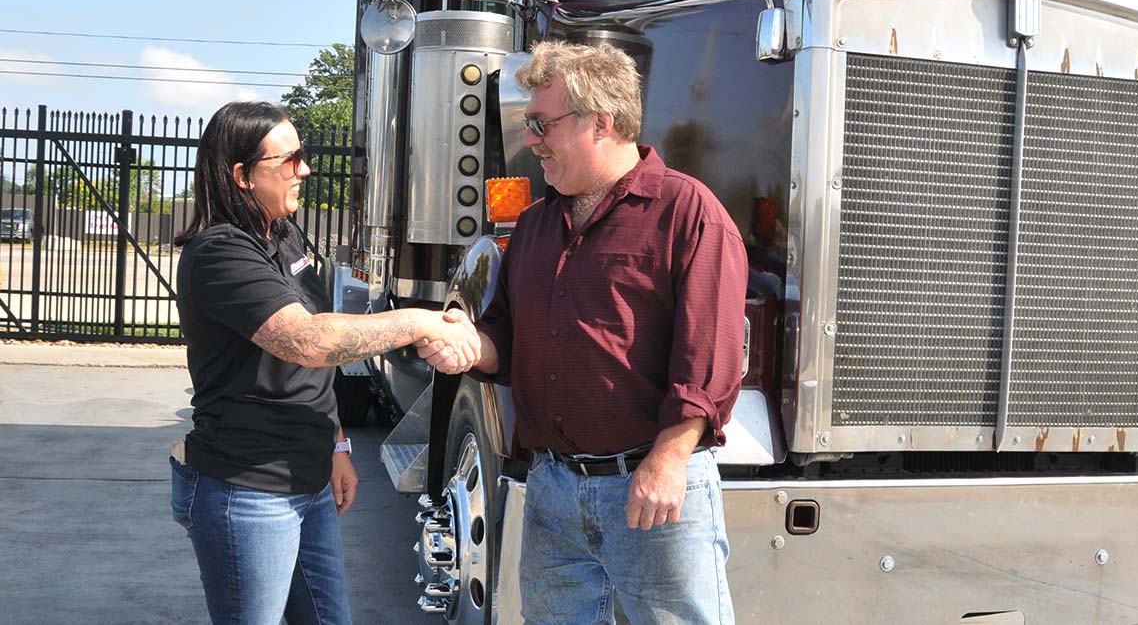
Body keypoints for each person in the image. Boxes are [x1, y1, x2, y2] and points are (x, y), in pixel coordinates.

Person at [423, 41, 747, 624]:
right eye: (530, 124)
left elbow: (708, 358)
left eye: (543, 123)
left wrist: (669, 460)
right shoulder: (534, 226)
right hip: (553, 491)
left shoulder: (688, 213)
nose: (531, 140)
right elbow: (506, 339)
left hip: (651, 490)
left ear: (602, 120)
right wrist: (466, 344)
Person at [170, 101, 480, 625]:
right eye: (289, 160)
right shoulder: (219, 253)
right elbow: (309, 341)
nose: (305, 170)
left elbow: (316, 359)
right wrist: (422, 321)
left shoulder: (282, 235)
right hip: (248, 491)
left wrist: (336, 442)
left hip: (307, 479)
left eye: (303, 155)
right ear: (242, 176)